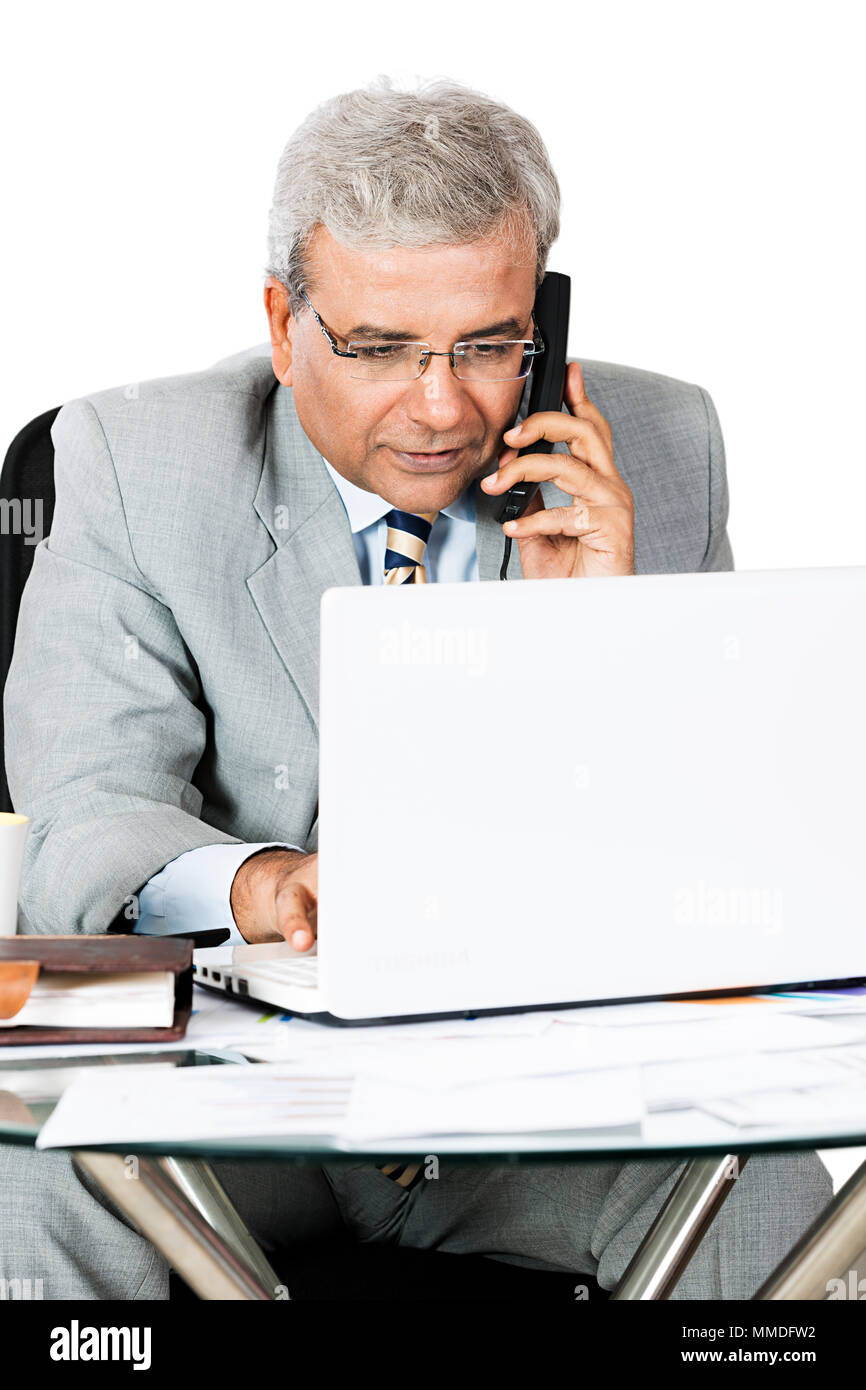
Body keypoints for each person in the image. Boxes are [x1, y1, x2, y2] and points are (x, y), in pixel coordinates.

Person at [1, 75, 831, 1299]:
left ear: (541, 317)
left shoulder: (659, 449)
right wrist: (254, 878)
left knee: (772, 1190)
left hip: (532, 1114)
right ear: (285, 327)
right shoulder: (131, 460)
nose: (440, 406)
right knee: (40, 1170)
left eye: (488, 345)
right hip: (231, 1098)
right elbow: (81, 818)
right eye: (380, 347)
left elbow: (706, 891)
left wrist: (597, 639)